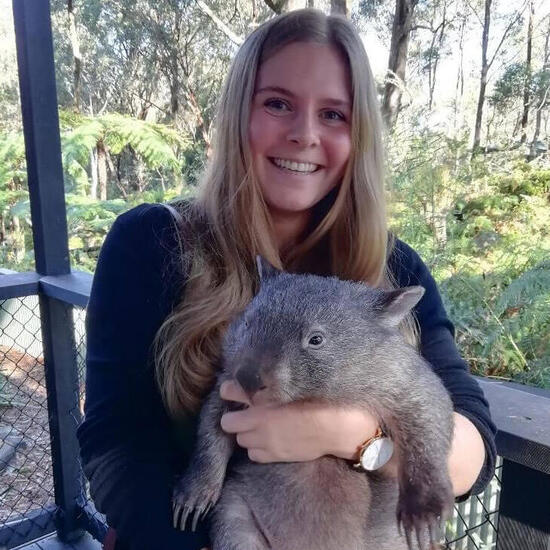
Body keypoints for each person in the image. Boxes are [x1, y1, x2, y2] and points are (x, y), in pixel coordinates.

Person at [77, 8, 496, 550]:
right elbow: (116, 446)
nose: (303, 134)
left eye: (334, 115)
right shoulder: (154, 243)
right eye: (278, 104)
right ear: (238, 116)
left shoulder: (396, 268)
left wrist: (350, 436)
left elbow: (473, 450)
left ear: (358, 136)